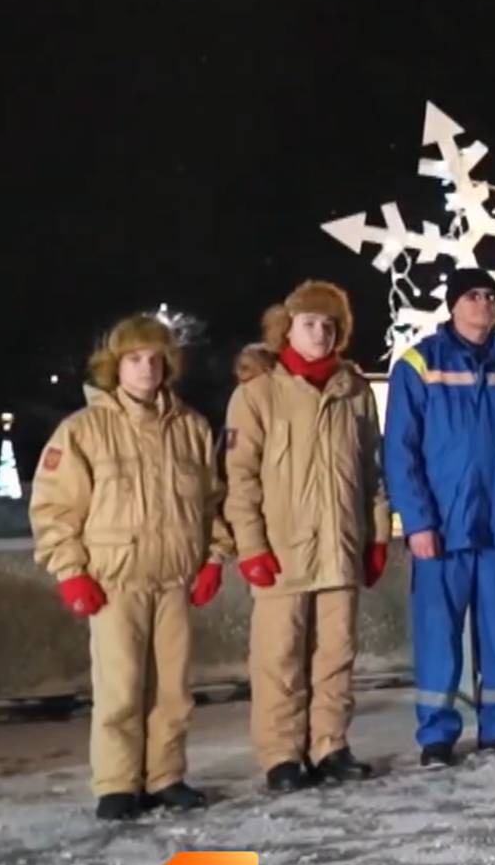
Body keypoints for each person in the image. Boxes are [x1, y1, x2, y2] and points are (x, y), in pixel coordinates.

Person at [31, 315, 231, 820]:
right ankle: (118, 783)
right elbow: (55, 509)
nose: (146, 369)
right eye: (135, 360)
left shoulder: (190, 427)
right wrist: (71, 570)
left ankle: (166, 776)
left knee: (172, 691)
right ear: (115, 367)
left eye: (154, 359)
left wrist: (212, 557)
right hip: (114, 581)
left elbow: (212, 502)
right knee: (119, 688)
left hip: (174, 581)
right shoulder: (83, 430)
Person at [383, 268, 495, 765]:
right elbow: (400, 450)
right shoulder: (419, 365)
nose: (483, 303)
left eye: (490, 296)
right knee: (439, 632)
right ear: (453, 305)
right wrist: (417, 522)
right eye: (472, 295)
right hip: (443, 526)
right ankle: (437, 733)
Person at [224, 281, 389, 791]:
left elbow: (373, 471)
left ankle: (330, 745)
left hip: (340, 546)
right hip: (282, 552)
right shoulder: (257, 394)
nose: (319, 333)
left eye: (328, 325)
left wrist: (376, 536)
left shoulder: (354, 392)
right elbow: (240, 478)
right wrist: (250, 547)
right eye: (309, 323)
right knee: (279, 657)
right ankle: (281, 754)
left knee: (336, 653)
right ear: (287, 329)